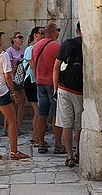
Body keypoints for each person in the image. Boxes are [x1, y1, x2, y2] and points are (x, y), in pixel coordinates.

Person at [0, 30, 29, 161]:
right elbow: (8, 76)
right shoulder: (3, 55)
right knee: (12, 121)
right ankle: (14, 151)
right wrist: (13, 93)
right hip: (2, 91)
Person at [54, 21, 83, 168]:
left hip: (64, 88)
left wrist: (55, 89)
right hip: (80, 91)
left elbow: (56, 67)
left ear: (77, 30)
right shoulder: (88, 45)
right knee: (78, 126)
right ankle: (78, 153)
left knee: (66, 124)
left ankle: (69, 156)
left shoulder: (68, 43)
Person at [32, 21, 64, 155]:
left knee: (42, 114)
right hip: (53, 83)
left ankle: (41, 143)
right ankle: (58, 145)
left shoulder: (36, 46)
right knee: (56, 114)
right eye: (58, 31)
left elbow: (33, 64)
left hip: (40, 82)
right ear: (54, 32)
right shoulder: (57, 46)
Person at [20, 26, 43, 133]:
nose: (43, 35)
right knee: (37, 111)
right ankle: (36, 136)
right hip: (32, 80)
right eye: (41, 33)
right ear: (35, 35)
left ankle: (37, 136)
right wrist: (38, 79)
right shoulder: (30, 49)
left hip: (36, 80)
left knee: (39, 111)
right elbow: (32, 66)